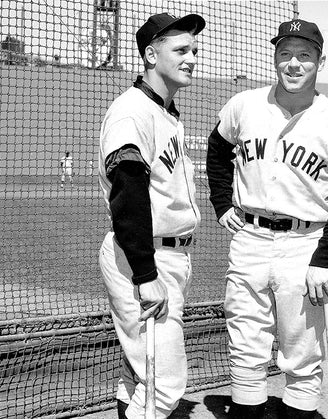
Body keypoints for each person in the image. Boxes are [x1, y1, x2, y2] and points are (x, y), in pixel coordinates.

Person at [206, 18, 328, 419]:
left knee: (302, 351)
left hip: (304, 245)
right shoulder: (244, 105)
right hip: (250, 239)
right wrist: (222, 203)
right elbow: (216, 150)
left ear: (320, 61)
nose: (294, 64)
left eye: (304, 56)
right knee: (245, 347)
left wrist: (324, 257)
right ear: (275, 57)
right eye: (285, 54)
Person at [98, 12, 204, 419]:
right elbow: (128, 196)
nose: (191, 57)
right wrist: (146, 274)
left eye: (194, 49)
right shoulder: (133, 113)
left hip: (164, 256)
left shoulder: (165, 112)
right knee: (166, 381)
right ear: (149, 54)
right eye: (181, 50)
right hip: (143, 258)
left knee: (139, 376)